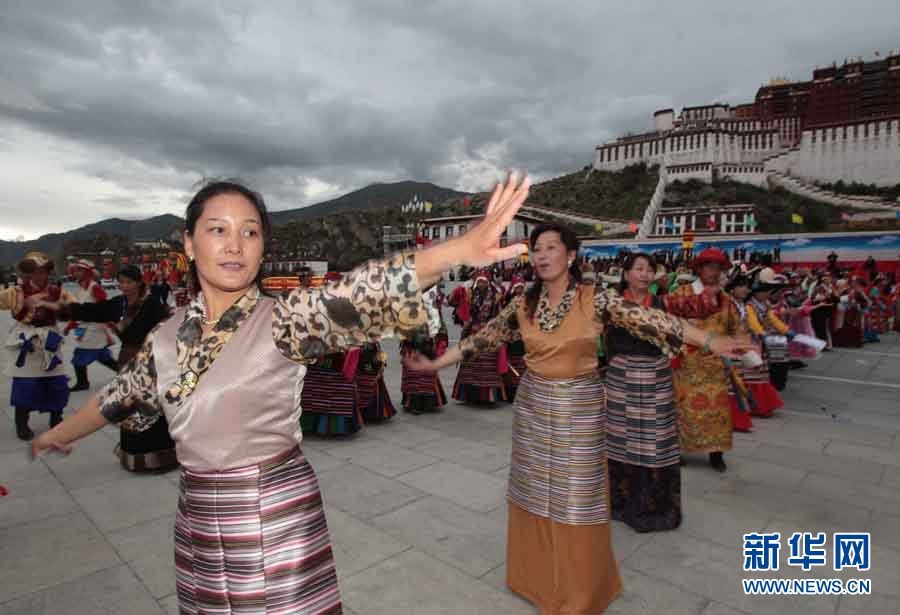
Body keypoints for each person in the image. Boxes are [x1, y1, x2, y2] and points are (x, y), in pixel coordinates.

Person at [31, 175, 531, 614]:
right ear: (189, 243)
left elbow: (363, 292)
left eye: (250, 232)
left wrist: (456, 251)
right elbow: (117, 396)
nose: (235, 245)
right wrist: (59, 433)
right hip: (197, 521)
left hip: (275, 518)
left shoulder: (286, 319)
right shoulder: (165, 337)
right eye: (218, 230)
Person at [405, 224, 749, 614]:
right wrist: (436, 364)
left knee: (576, 499)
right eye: (537, 248)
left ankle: (581, 590)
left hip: (580, 410)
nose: (542, 255)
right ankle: (533, 578)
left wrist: (710, 340)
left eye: (552, 247)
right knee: (534, 492)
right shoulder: (523, 303)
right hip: (533, 409)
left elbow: (656, 321)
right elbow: (484, 338)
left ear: (570, 256)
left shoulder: (596, 298)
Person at [605, 252, 721, 532]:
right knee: (621, 439)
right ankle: (620, 501)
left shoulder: (663, 303)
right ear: (626, 274)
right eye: (639, 269)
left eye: (649, 270)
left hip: (655, 375)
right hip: (621, 377)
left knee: (656, 440)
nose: (645, 274)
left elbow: (691, 320)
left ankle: (653, 505)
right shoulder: (610, 303)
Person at [40, 265, 175, 471]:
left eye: (129, 282)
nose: (125, 286)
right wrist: (55, 307)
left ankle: (160, 457)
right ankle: (134, 455)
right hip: (127, 360)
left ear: (139, 282)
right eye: (121, 282)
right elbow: (91, 310)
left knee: (151, 408)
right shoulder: (118, 303)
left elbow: (170, 326)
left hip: (151, 359)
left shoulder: (153, 304)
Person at [668, 248, 740, 472]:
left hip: (715, 365)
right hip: (687, 364)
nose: (714, 272)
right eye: (709, 266)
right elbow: (670, 325)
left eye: (718, 268)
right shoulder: (681, 294)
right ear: (699, 269)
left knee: (717, 410)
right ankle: (678, 451)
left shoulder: (725, 299)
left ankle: (716, 453)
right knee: (683, 409)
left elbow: (735, 327)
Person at [0, 252, 73, 440]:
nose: (39, 276)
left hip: (50, 339)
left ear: (48, 272)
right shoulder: (15, 292)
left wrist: (58, 308)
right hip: (27, 339)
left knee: (56, 382)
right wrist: (24, 303)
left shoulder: (57, 292)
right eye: (34, 272)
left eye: (42, 271)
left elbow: (72, 309)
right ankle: (21, 423)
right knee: (26, 384)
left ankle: (56, 418)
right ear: (28, 273)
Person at [451, 269, 508, 404]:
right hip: (473, 331)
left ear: (488, 283)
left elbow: (498, 315)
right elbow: (461, 308)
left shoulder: (495, 296)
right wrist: (470, 323)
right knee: (470, 363)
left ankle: (488, 397)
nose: (482, 284)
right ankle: (470, 396)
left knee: (487, 363)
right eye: (480, 282)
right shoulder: (470, 294)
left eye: (484, 282)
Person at [65, 259, 119, 391]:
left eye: (79, 270)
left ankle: (82, 382)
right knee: (103, 356)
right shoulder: (81, 289)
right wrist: (70, 325)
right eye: (75, 270)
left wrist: (110, 323)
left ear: (87, 272)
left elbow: (104, 307)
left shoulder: (94, 287)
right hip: (86, 329)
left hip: (94, 329)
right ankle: (125, 372)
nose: (76, 273)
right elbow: (79, 312)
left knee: (80, 356)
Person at [399, 286, 448, 414]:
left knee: (427, 374)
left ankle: (427, 403)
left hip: (428, 345)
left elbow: (440, 325)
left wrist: (439, 342)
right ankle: (413, 404)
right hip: (412, 345)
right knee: (413, 375)